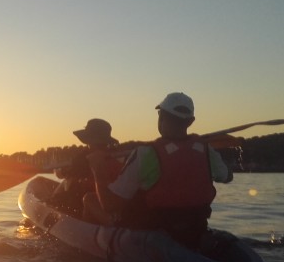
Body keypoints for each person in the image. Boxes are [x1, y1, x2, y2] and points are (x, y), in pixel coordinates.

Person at [85, 92, 233, 250]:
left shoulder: (145, 154)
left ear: (161, 117)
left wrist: (97, 170)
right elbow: (227, 176)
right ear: (190, 121)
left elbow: (109, 205)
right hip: (195, 228)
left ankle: (91, 244)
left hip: (150, 233)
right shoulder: (206, 150)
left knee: (90, 198)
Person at [49, 118, 123, 216]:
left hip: (91, 199)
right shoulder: (115, 155)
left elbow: (71, 175)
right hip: (106, 198)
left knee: (67, 183)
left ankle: (53, 204)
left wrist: (61, 173)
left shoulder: (84, 158)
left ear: (88, 140)